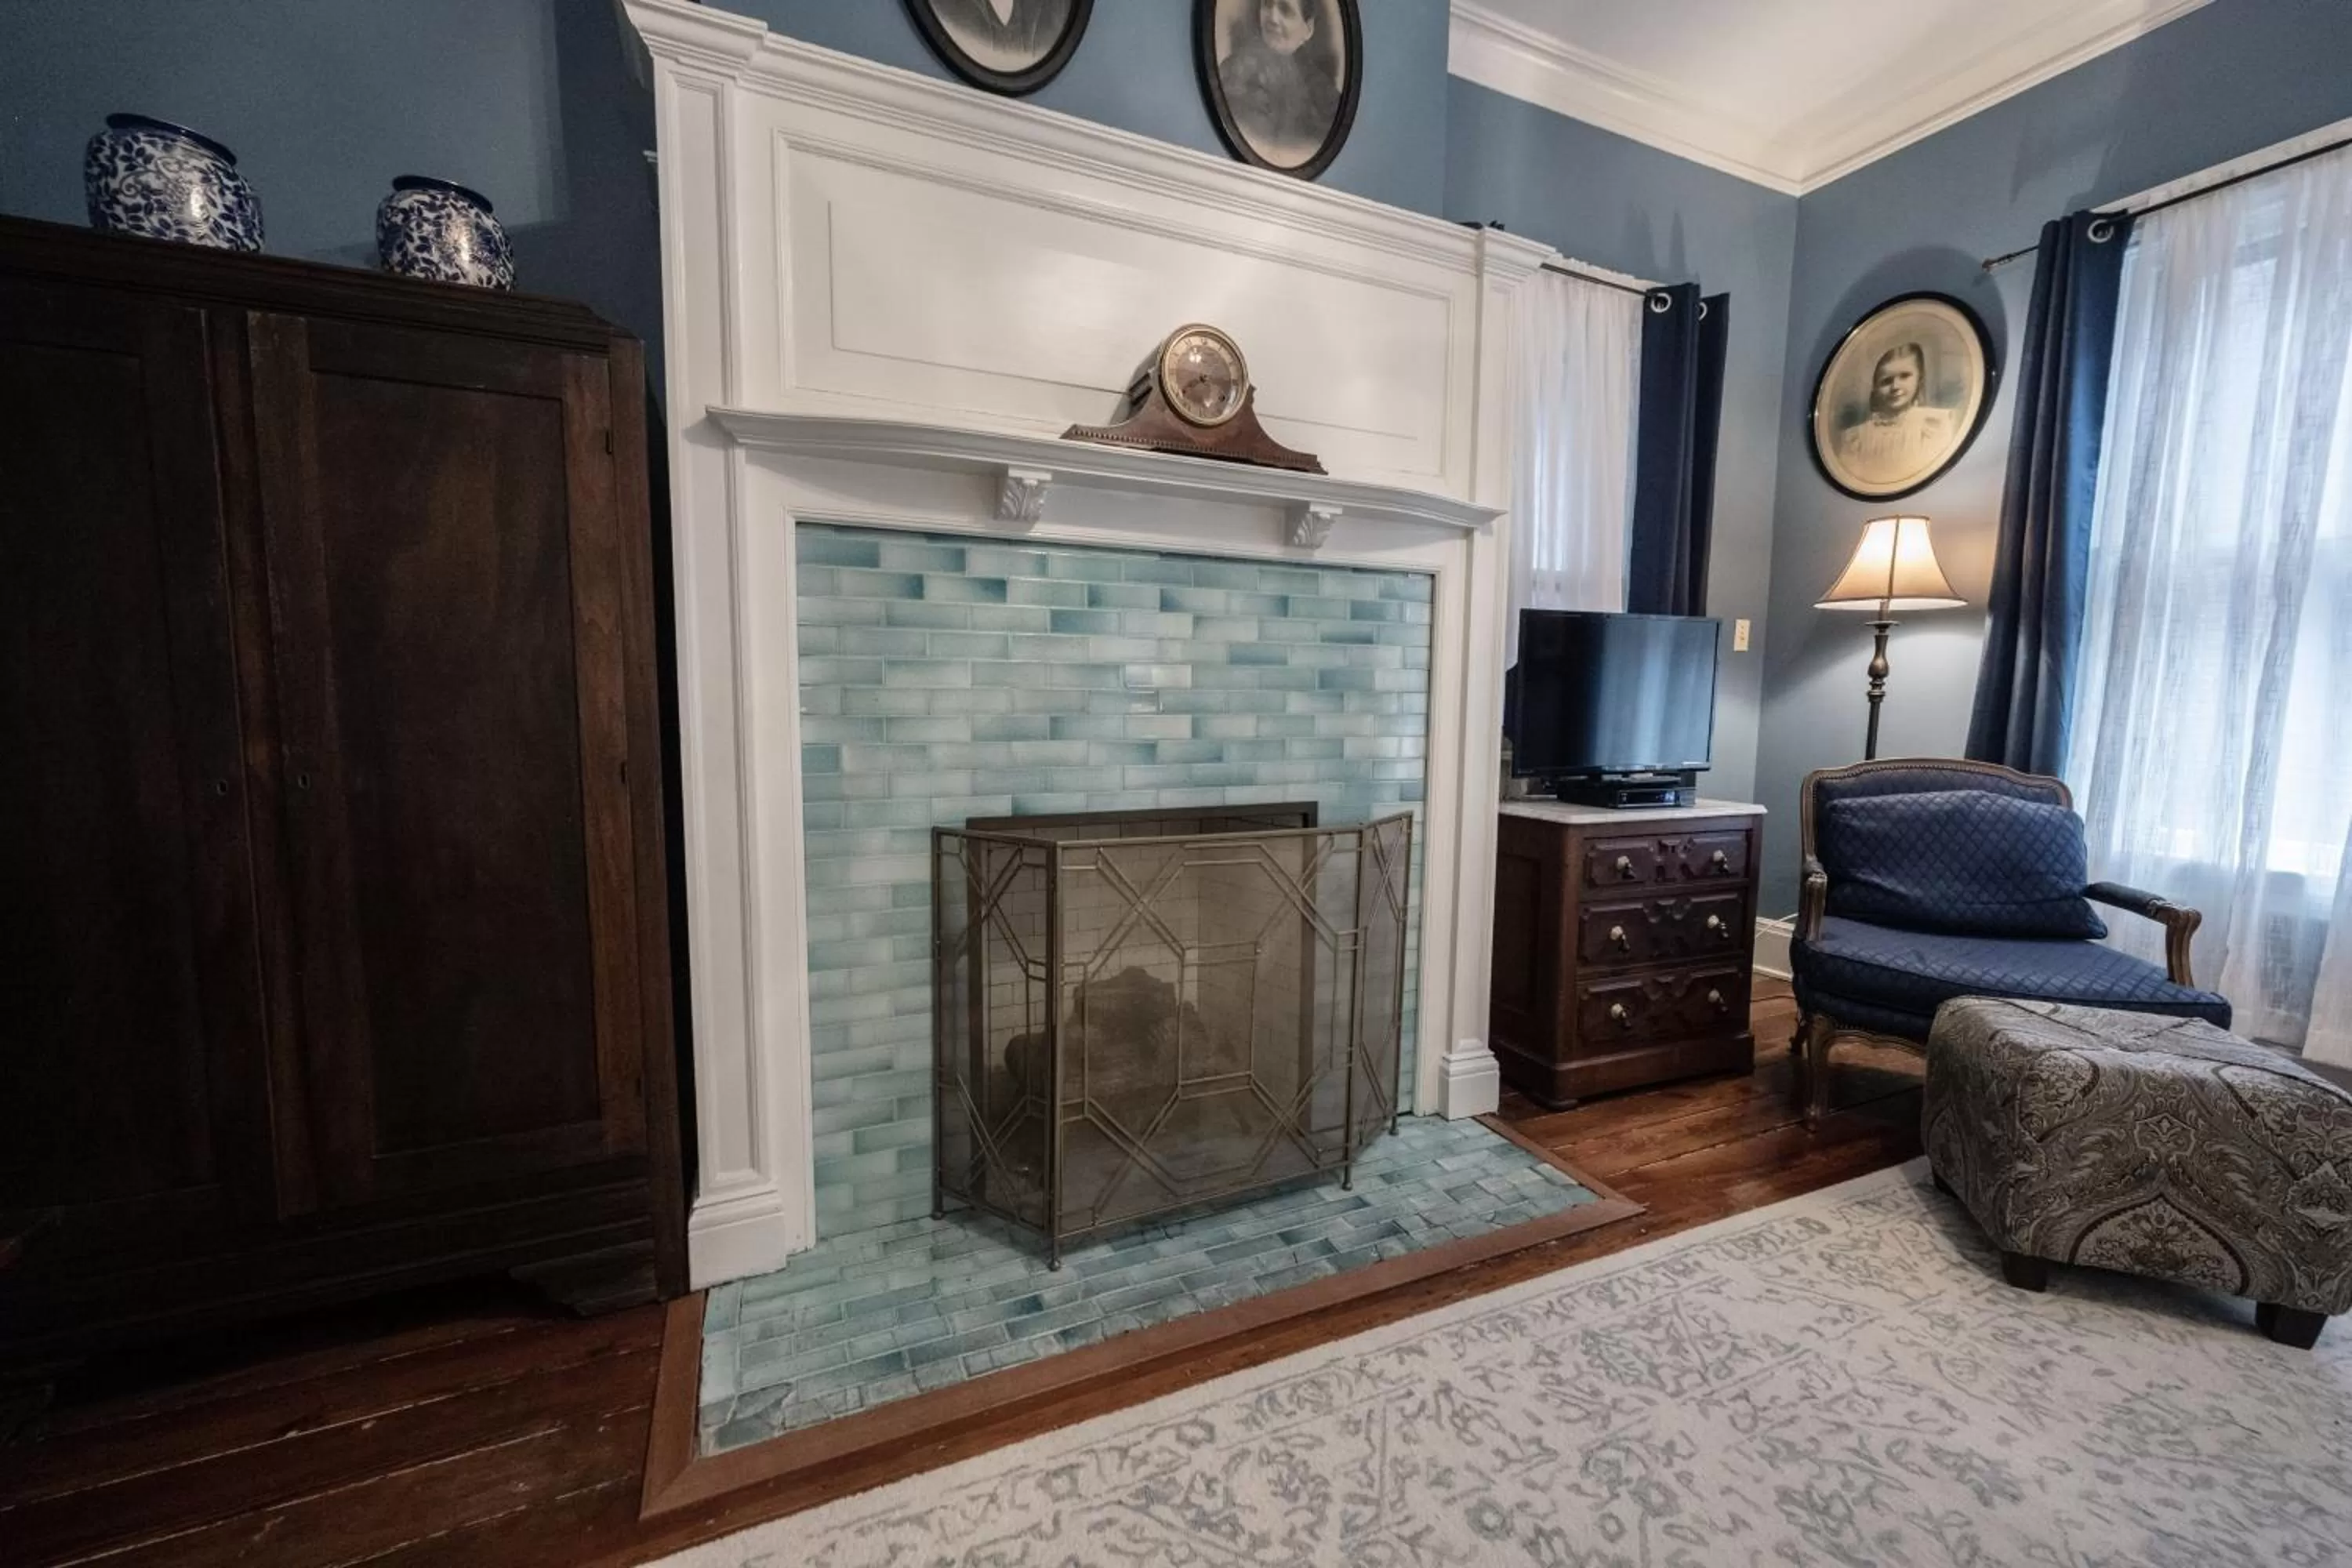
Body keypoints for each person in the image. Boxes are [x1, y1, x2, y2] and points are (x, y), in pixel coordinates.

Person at [1218, 0, 1341, 162]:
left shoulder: (1327, 98)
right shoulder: (1234, 71)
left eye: (1286, 10)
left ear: (1308, 29)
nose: (1272, 18)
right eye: (1267, 5)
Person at [1835, 342, 1953, 481]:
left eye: (1904, 376)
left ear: (1919, 380)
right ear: (1875, 388)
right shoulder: (1856, 438)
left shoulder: (1932, 425)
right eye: (1886, 381)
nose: (1895, 386)